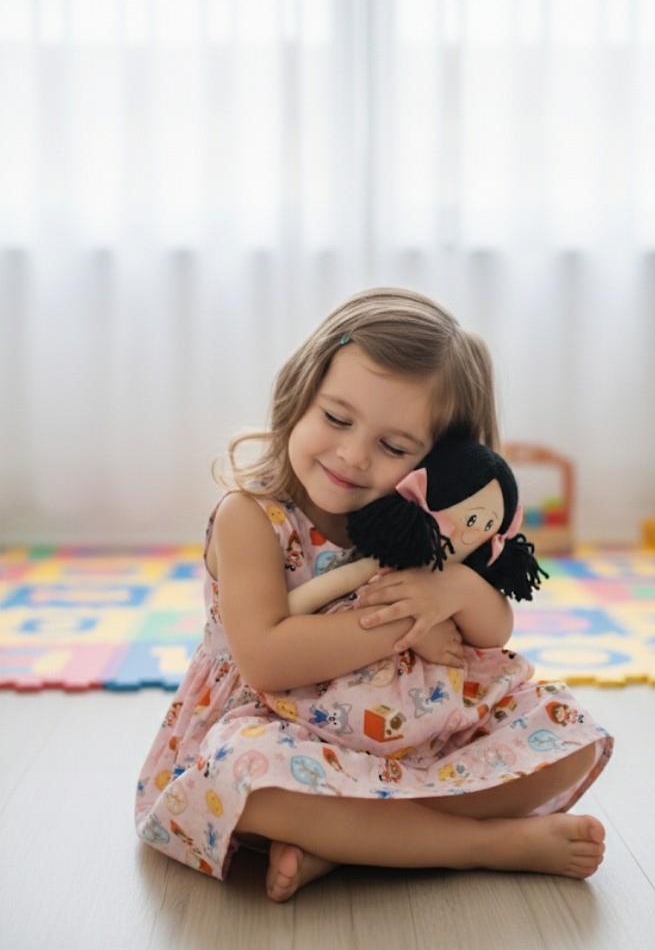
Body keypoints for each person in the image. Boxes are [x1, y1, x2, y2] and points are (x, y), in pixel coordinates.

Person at [133, 287, 613, 903]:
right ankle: (483, 846)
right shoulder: (250, 516)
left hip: (412, 736)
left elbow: (495, 633)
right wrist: (406, 623)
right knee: (249, 773)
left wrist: (459, 586)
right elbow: (267, 659)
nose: (352, 456)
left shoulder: (419, 529)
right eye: (336, 418)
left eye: (393, 447)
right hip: (275, 730)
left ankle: (349, 843)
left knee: (568, 734)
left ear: (439, 461)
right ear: (300, 395)